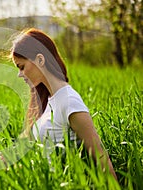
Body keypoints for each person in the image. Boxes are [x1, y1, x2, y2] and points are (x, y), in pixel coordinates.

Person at [10, 28, 117, 180]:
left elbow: (101, 158)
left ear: (40, 60)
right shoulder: (46, 100)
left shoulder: (69, 102)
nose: (19, 74)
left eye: (22, 67)